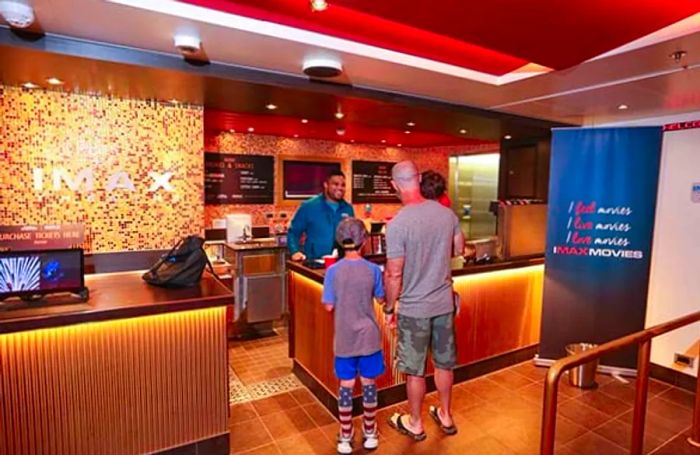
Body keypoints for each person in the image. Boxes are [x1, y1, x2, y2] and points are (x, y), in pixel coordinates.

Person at [384, 161, 464, 441]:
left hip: (415, 309)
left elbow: (394, 273)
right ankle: (445, 414)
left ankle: (415, 422)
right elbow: (459, 249)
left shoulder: (397, 224)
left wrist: (390, 306)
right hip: (443, 304)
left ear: (395, 185)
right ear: (418, 179)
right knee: (444, 363)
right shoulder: (447, 215)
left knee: (414, 369)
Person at [322, 218, 385, 454]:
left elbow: (329, 306)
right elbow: (381, 298)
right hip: (369, 337)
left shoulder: (333, 272)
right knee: (369, 383)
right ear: (364, 241)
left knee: (346, 386)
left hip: (345, 338)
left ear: (340, 240)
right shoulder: (373, 270)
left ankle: (345, 435)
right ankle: (370, 432)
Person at [288, 170, 354, 261]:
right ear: (326, 185)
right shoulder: (309, 206)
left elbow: (352, 235)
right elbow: (293, 232)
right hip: (315, 262)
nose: (340, 188)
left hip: (341, 262)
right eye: (335, 184)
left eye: (343, 185)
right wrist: (294, 251)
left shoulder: (348, 208)